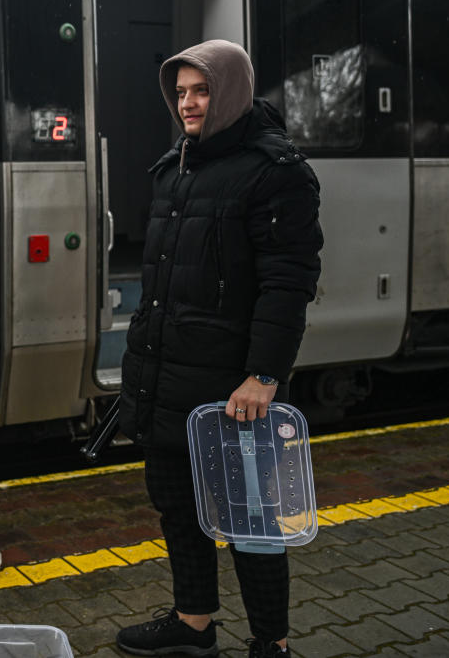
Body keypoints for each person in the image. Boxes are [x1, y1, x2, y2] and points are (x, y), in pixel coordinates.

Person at [116, 40, 322, 658]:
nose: (188, 104)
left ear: (230, 91)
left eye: (200, 91)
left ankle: (271, 643)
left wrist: (264, 374)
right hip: (167, 377)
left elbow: (288, 285)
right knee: (178, 509)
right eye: (180, 93)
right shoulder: (175, 167)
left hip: (235, 388)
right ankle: (194, 622)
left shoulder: (276, 172)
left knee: (252, 525)